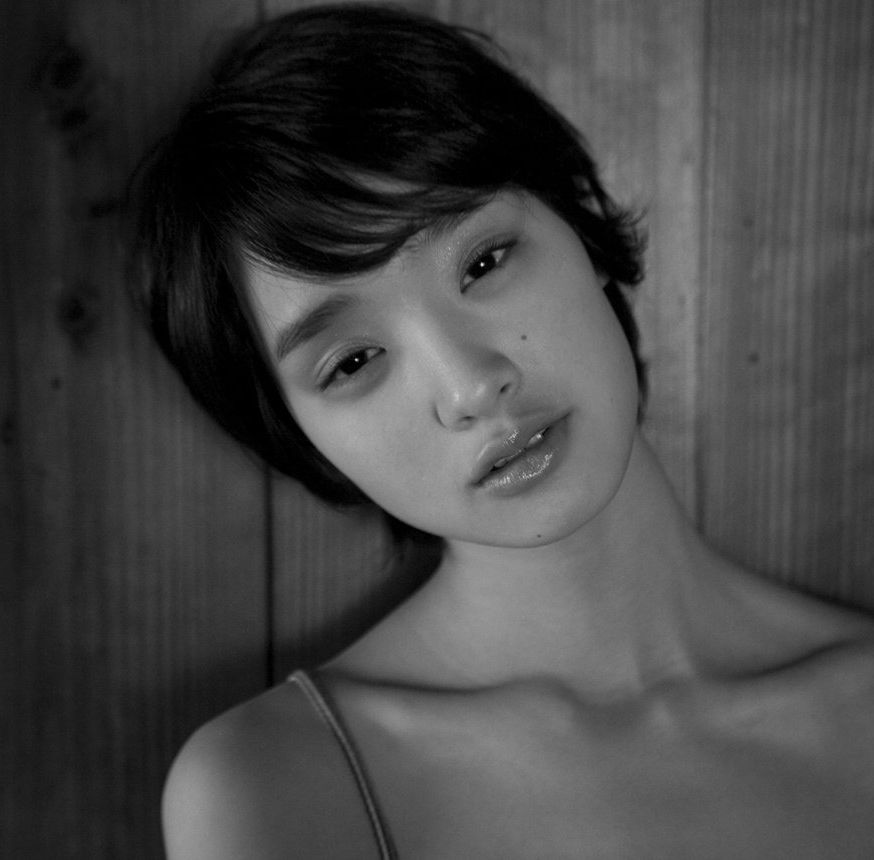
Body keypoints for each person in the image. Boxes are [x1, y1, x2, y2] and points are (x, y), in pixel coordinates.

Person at [129, 5, 874, 858]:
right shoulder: (280, 787)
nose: (472, 385)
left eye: (483, 262)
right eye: (353, 361)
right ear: (300, 439)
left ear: (581, 233)